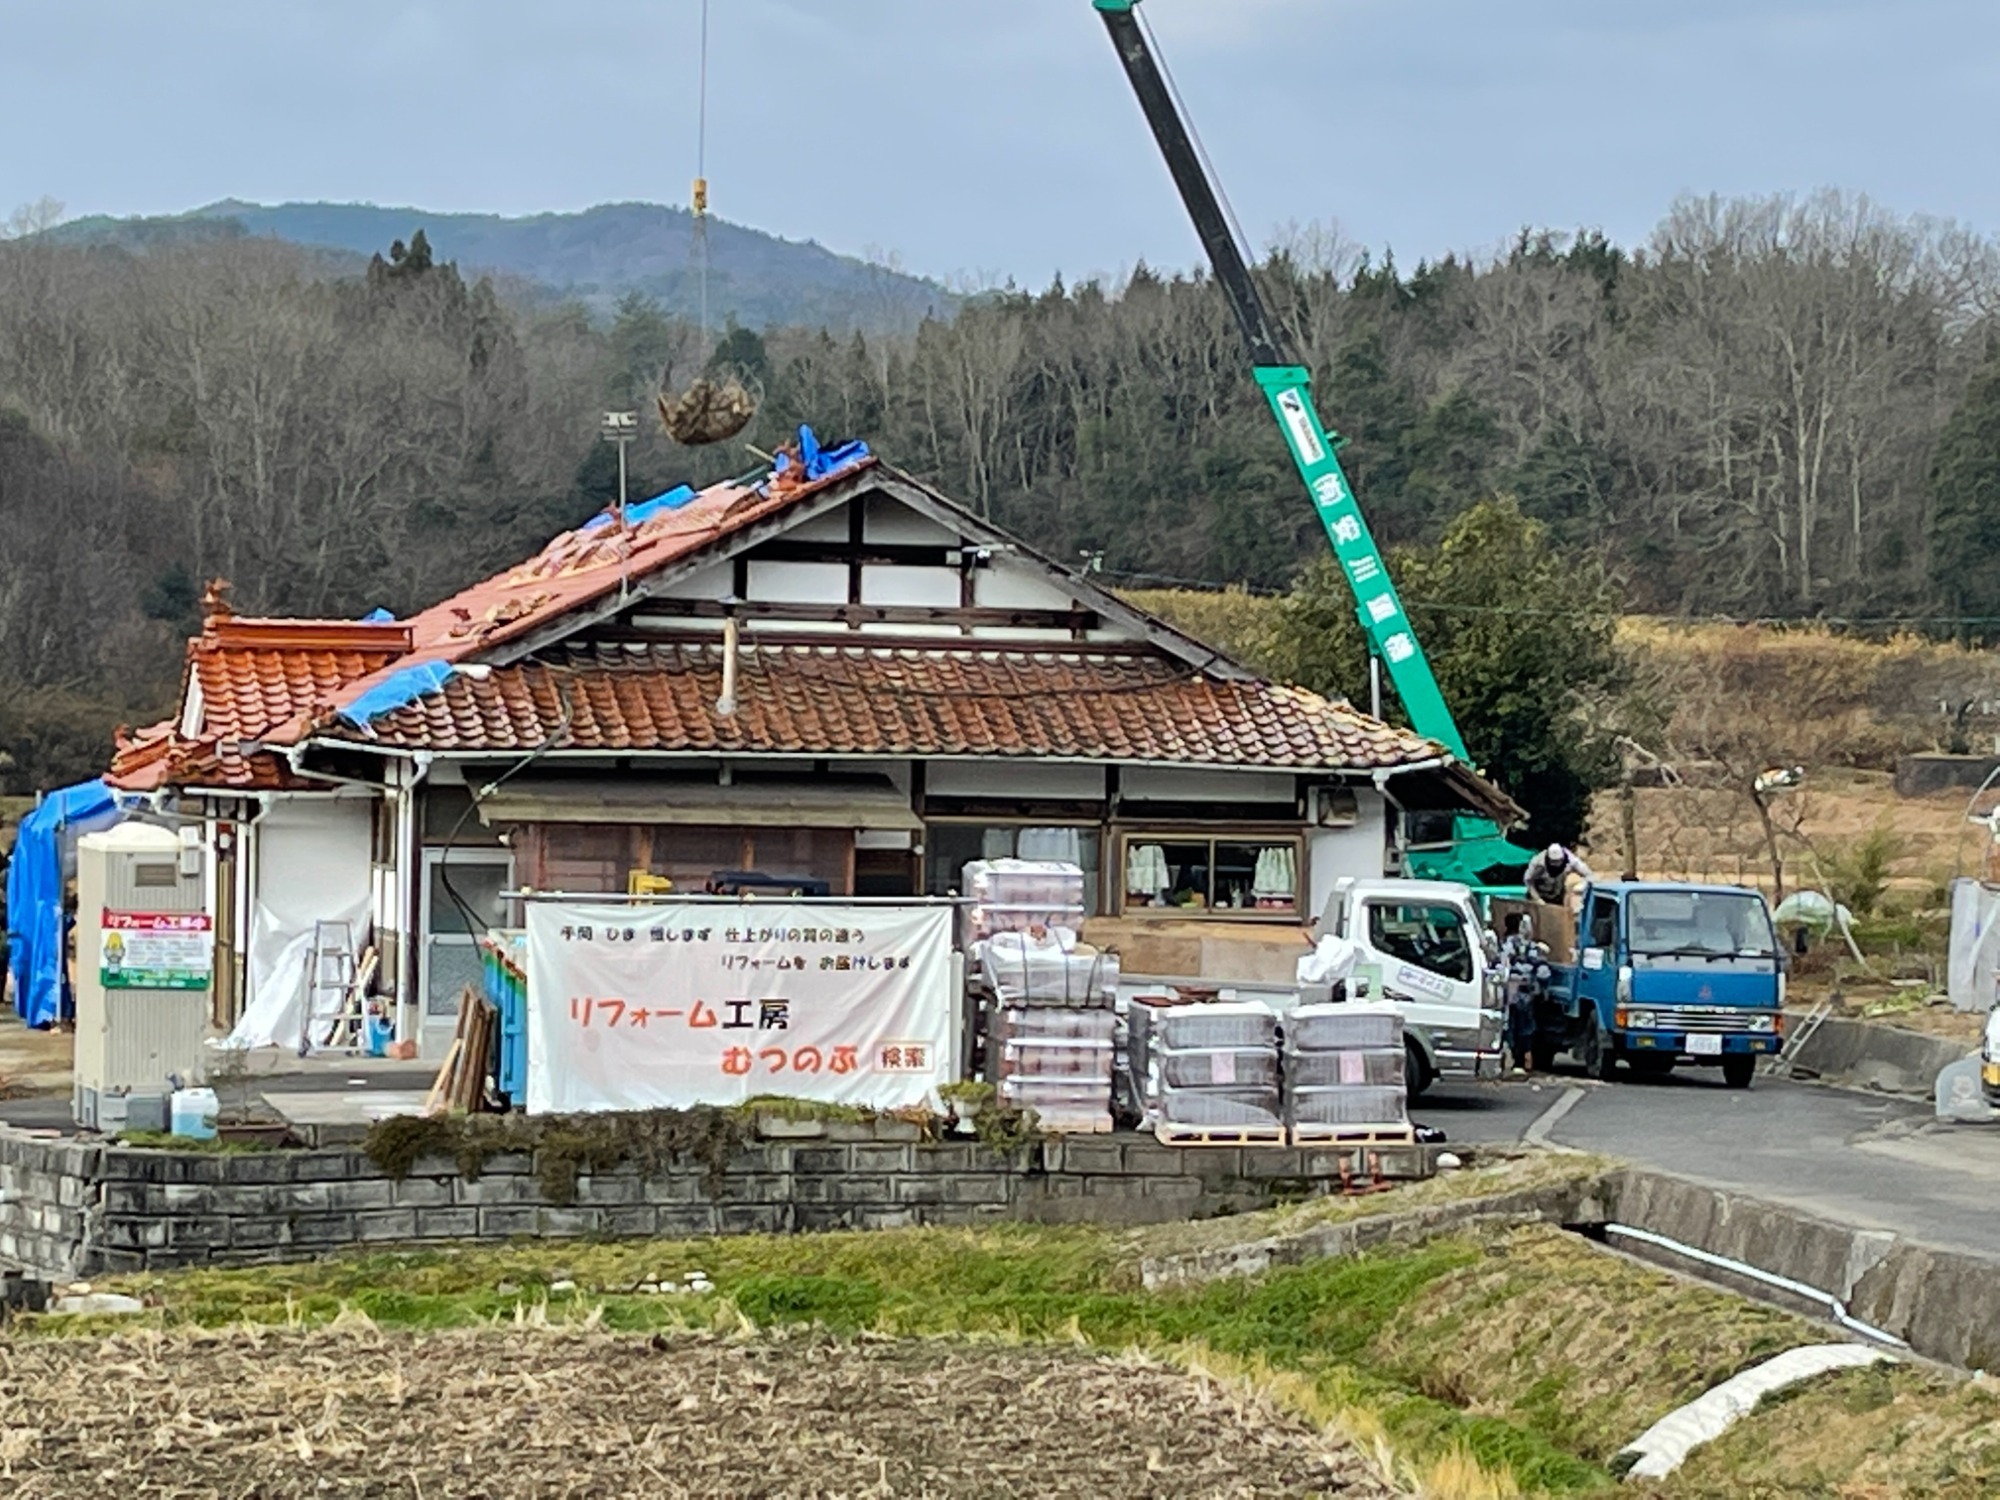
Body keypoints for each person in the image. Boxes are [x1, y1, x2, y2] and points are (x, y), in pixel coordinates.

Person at [1523, 843, 1593, 907]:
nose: (1556, 865)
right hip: (1539, 895)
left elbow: (1587, 873)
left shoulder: (1571, 860)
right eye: (1553, 862)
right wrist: (1537, 898)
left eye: (1558, 861)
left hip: (1558, 896)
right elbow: (1528, 880)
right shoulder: (1537, 862)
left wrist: (1582, 886)